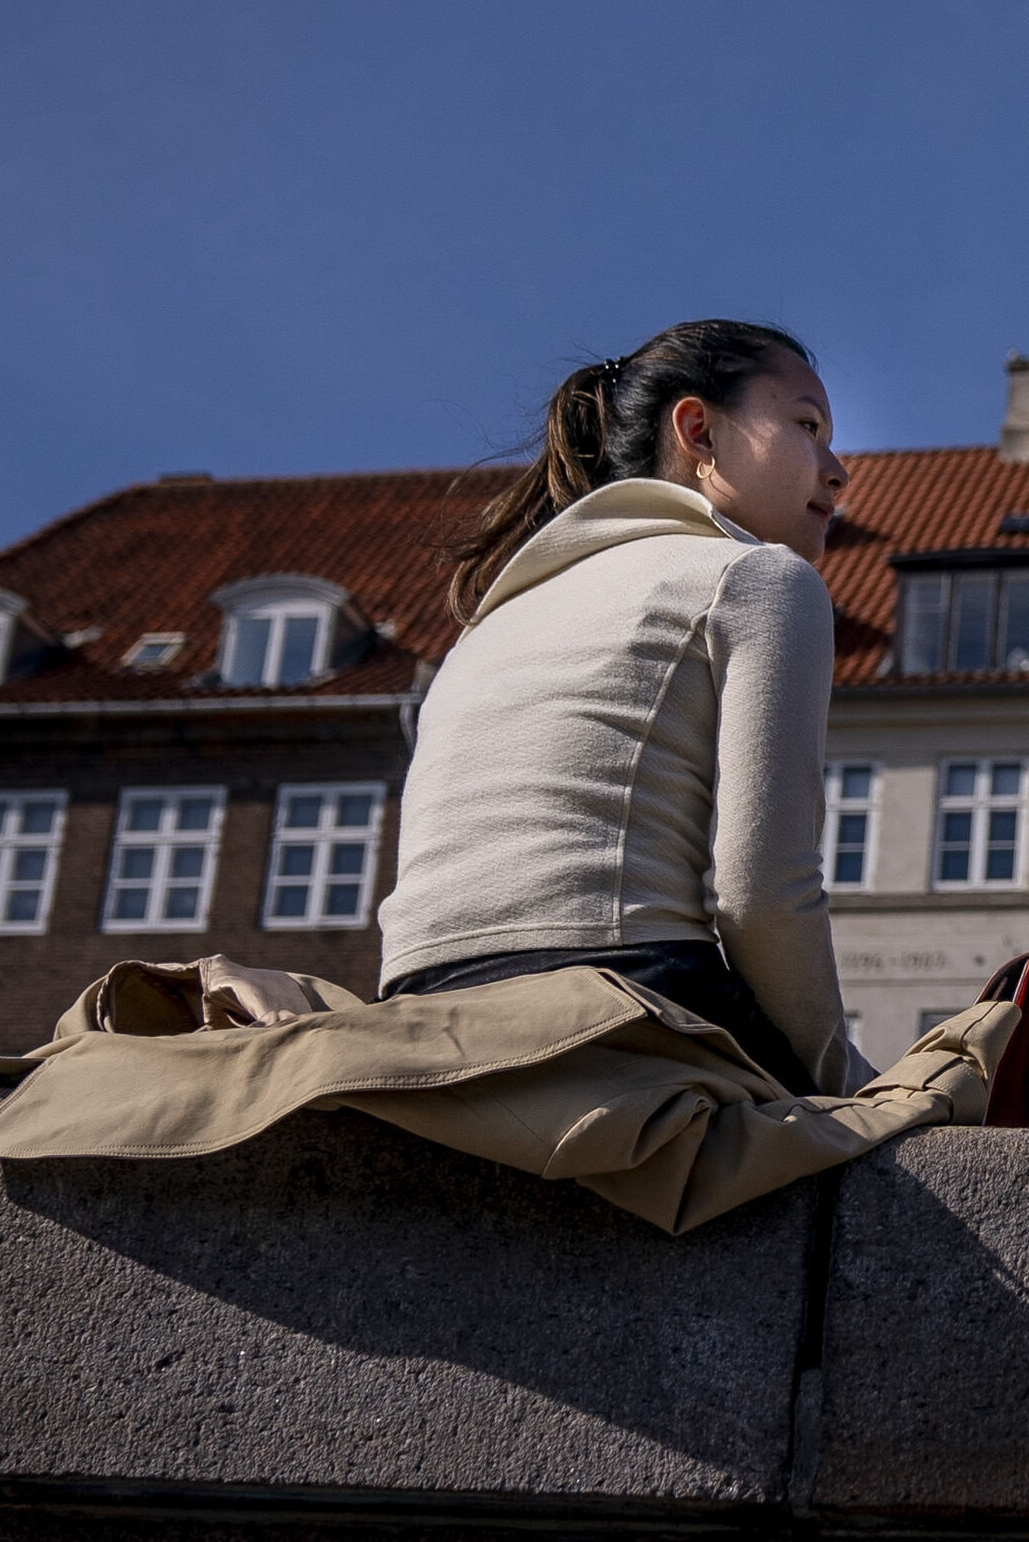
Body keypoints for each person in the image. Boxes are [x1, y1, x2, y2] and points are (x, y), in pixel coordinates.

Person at [368, 319, 870, 1098]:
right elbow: (764, 893)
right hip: (619, 996)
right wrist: (841, 1076)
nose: (838, 472)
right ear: (698, 430)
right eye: (807, 426)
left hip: (415, 1015)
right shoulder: (756, 577)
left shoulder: (489, 625)